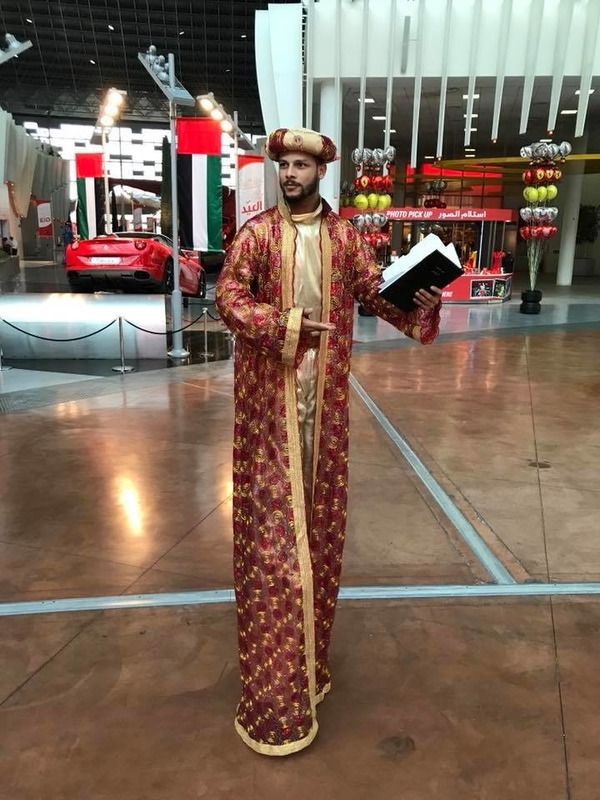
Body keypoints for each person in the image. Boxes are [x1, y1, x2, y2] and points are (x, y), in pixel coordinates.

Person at [215, 127, 442, 756]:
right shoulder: (257, 235)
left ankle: (308, 671)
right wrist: (286, 324)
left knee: (318, 543)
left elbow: (380, 296)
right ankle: (273, 698)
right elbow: (228, 297)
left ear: (321, 172)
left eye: (301, 165)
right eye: (284, 164)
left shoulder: (345, 238)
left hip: (327, 416)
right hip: (269, 416)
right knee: (273, 552)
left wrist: (420, 299)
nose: (290, 173)